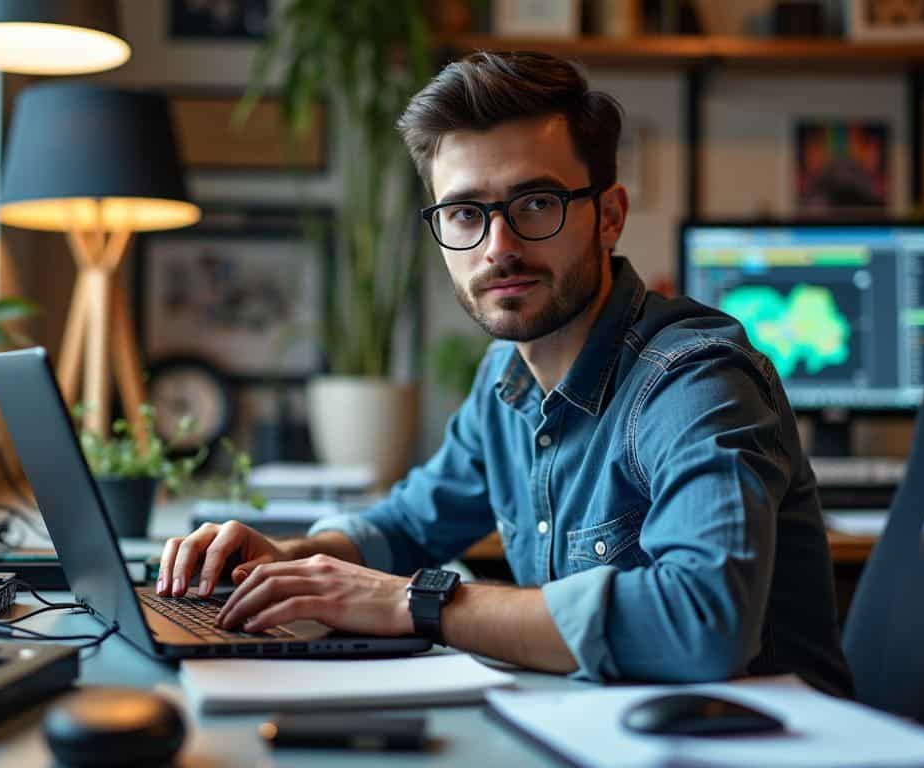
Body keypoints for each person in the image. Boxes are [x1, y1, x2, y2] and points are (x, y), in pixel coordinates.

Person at [155, 51, 854, 696]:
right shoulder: (505, 380)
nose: (499, 248)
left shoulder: (695, 381)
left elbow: (702, 624)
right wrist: (295, 558)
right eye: (465, 212)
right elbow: (406, 525)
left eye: (536, 205)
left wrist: (414, 602)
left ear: (608, 217)